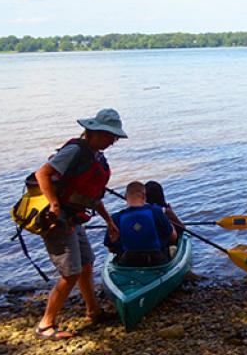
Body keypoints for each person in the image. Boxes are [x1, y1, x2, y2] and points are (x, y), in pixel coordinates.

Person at [33, 108, 126, 340]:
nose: (113, 141)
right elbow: (42, 175)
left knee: (86, 264)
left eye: (115, 136)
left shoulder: (97, 156)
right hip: (57, 219)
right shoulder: (75, 150)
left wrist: (109, 222)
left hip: (74, 218)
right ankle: (46, 325)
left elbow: (92, 197)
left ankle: (93, 311)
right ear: (93, 131)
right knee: (70, 272)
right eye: (109, 135)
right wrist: (54, 205)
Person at [105, 181, 177, 266]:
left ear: (125, 197)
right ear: (144, 196)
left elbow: (111, 248)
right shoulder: (156, 211)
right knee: (174, 248)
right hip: (156, 261)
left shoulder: (115, 218)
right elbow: (173, 238)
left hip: (128, 263)